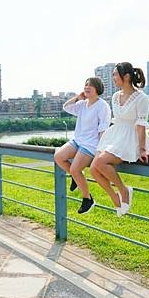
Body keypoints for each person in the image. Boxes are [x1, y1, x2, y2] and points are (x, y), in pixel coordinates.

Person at [90, 62, 149, 217]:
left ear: (126, 76)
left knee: (100, 162)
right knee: (93, 169)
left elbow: (140, 125)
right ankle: (116, 199)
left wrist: (142, 149)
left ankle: (124, 191)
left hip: (130, 139)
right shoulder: (115, 96)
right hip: (115, 135)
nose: (113, 78)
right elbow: (118, 120)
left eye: (115, 75)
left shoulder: (142, 98)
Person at [54, 77, 111, 214]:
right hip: (78, 140)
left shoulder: (102, 106)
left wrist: (99, 150)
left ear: (97, 88)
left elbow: (103, 128)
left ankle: (87, 199)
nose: (87, 87)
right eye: (85, 85)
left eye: (90, 85)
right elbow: (66, 107)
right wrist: (77, 97)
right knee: (59, 157)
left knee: (75, 169)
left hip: (91, 144)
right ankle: (76, 177)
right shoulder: (82, 104)